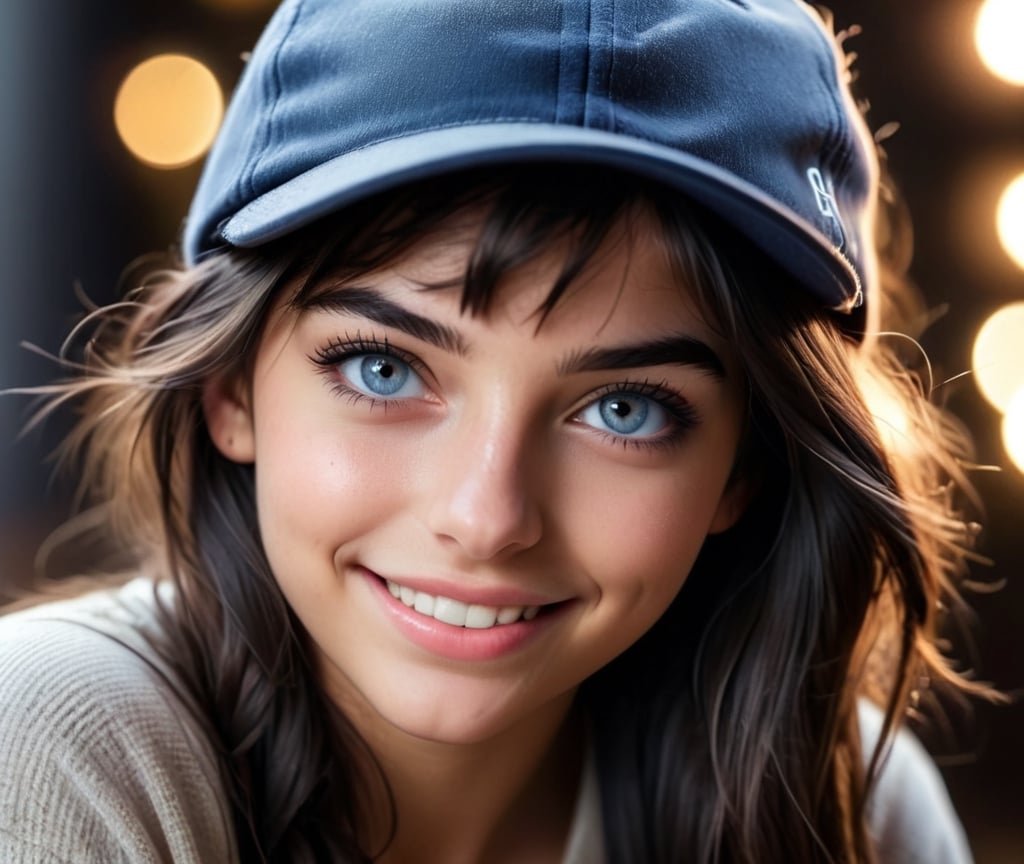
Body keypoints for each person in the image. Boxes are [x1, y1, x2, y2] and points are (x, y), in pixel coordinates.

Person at [0, 1, 991, 862]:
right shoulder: (54, 745)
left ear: (745, 467)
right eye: (383, 369)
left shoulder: (846, 806)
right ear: (232, 392)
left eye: (624, 410)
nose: (486, 517)